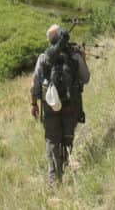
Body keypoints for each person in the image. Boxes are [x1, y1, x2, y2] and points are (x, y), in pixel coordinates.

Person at [30, 23, 90, 183]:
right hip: (71, 105)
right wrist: (83, 59)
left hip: (50, 107)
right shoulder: (74, 56)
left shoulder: (43, 58)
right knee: (67, 137)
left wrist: (34, 104)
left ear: (51, 41)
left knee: (51, 139)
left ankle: (53, 178)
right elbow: (86, 78)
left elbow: (35, 83)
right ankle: (63, 165)